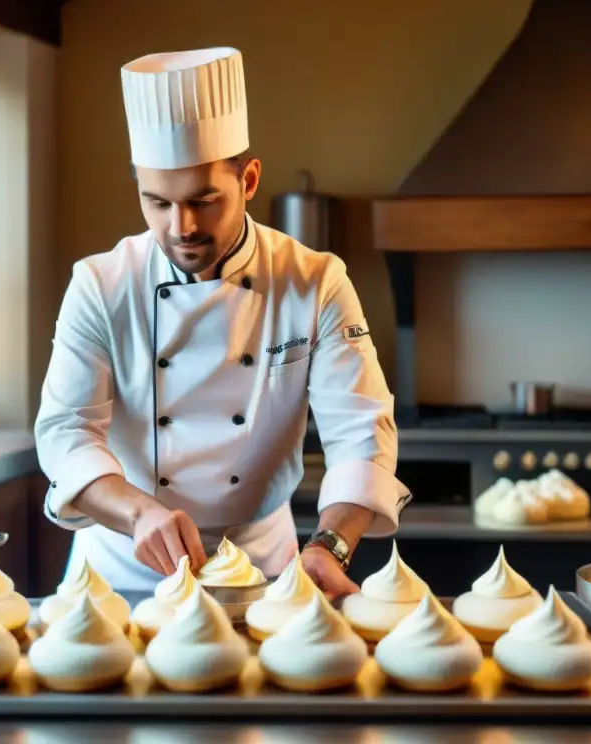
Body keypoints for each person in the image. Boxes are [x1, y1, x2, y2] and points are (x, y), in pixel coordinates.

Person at [34, 47, 411, 599]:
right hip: (121, 573)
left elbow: (361, 432)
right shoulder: (102, 285)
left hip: (266, 572)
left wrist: (329, 546)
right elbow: (66, 432)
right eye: (156, 202)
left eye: (203, 200)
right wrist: (138, 512)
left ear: (249, 179)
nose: (179, 226)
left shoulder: (314, 281)